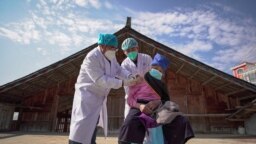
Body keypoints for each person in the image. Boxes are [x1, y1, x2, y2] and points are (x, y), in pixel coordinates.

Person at [69, 33, 139, 144]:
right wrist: (123, 82)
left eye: (115, 48)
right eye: (112, 47)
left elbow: (118, 70)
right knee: (81, 128)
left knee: (93, 125)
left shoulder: (111, 56)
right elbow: (100, 79)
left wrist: (129, 76)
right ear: (102, 46)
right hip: (87, 96)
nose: (114, 50)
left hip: (99, 97)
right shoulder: (92, 57)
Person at [118, 53, 194, 144]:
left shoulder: (161, 85)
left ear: (162, 73)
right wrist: (140, 106)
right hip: (140, 105)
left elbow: (165, 100)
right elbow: (130, 99)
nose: (155, 70)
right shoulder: (140, 80)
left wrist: (157, 102)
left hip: (158, 107)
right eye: (153, 67)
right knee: (128, 124)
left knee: (180, 120)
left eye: (159, 69)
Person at [121, 37, 152, 118]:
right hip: (133, 97)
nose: (130, 52)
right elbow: (126, 86)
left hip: (148, 94)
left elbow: (152, 77)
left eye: (132, 49)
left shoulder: (147, 58)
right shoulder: (124, 65)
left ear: (137, 48)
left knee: (151, 122)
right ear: (124, 52)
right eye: (128, 50)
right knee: (129, 121)